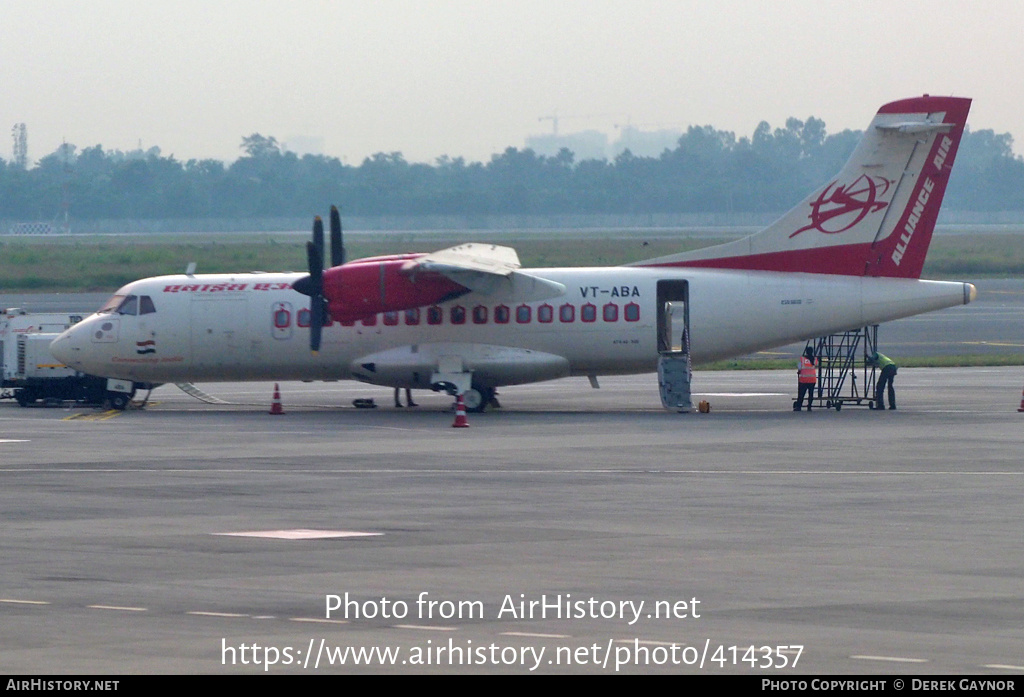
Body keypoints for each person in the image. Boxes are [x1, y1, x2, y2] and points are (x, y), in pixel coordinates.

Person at [794, 345, 817, 412]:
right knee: (811, 394)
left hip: (803, 379)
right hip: (812, 379)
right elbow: (816, 365)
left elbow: (799, 367)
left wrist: (799, 372)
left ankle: (799, 406)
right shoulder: (815, 359)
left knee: (801, 394)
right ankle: (809, 406)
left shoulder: (802, 359)